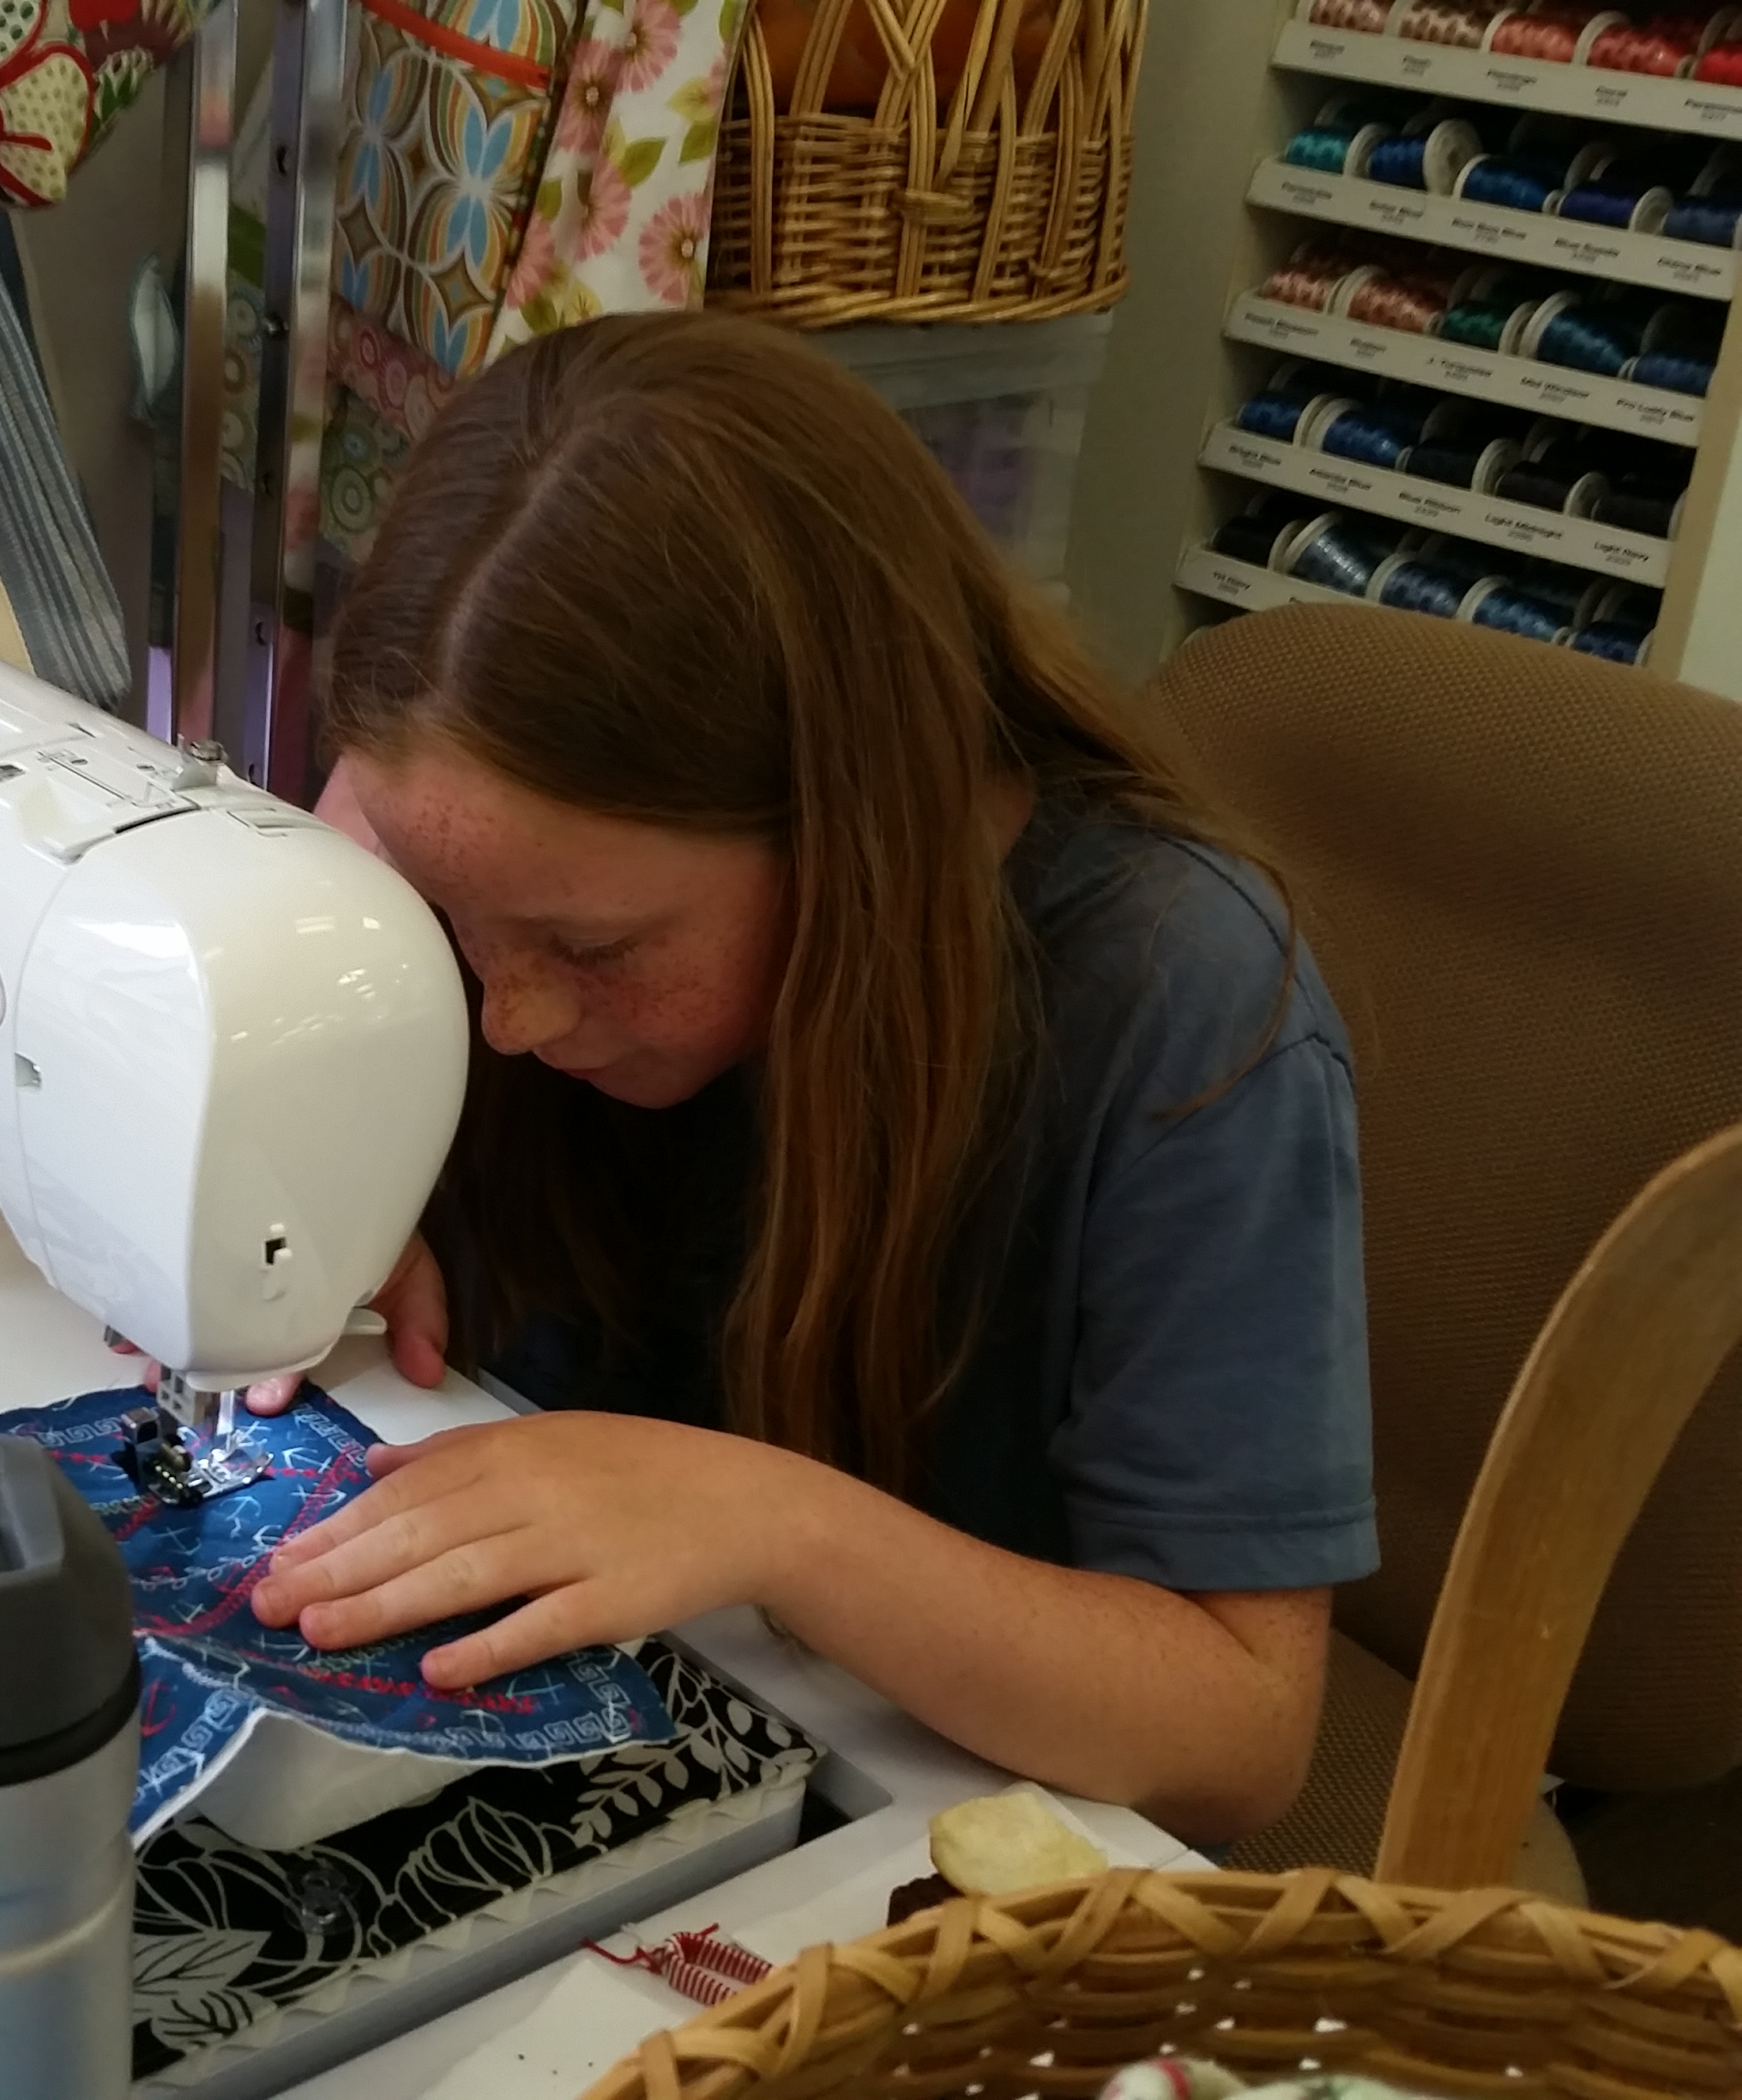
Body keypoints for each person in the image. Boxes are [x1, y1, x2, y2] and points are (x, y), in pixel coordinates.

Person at [238, 311, 1372, 1844]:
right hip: (662, 1713)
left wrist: (775, 1523)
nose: (507, 1017)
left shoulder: (1184, 1009)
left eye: (595, 947)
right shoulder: (472, 820)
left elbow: (1238, 1733)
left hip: (944, 1811)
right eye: (454, 918)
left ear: (853, 828)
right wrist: (324, 1142)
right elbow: (358, 838)